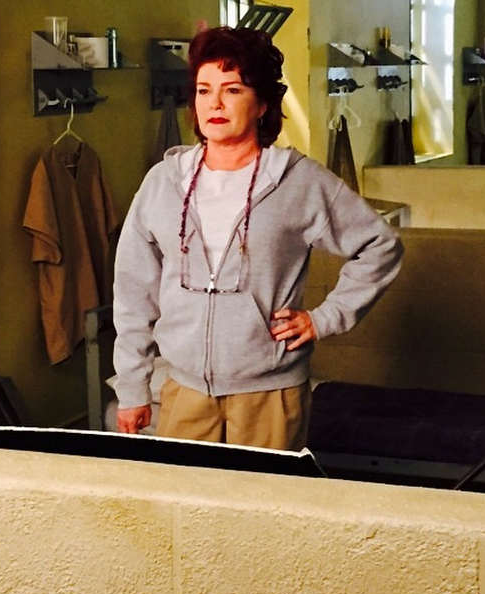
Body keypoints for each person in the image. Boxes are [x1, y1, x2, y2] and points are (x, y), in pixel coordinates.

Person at [112, 26, 403, 450]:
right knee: (184, 495)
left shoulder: (299, 181)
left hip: (270, 393)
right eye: (204, 90)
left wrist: (324, 318)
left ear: (262, 103)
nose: (214, 103)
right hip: (184, 390)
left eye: (232, 90)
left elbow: (380, 245)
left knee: (265, 497)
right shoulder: (162, 182)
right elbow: (132, 291)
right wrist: (132, 386)